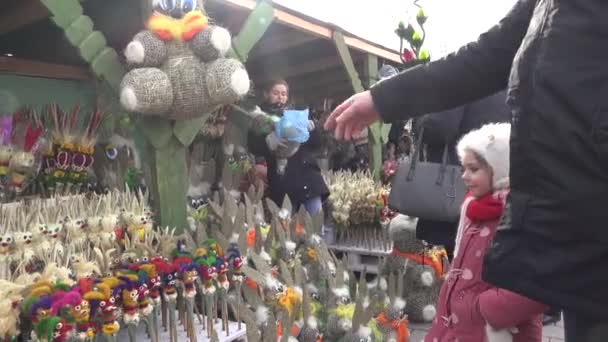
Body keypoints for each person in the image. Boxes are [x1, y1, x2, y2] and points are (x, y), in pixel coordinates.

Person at [325, 1, 608, 340]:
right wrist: (385, 98)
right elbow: (490, 54)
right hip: (574, 224)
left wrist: (482, 308)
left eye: (472, 168)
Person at [425, 122, 546, 342]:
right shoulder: (475, 208)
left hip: (495, 331)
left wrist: (487, 307)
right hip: (461, 328)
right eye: (464, 168)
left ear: (500, 169)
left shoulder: (521, 216)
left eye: (474, 169)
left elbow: (541, 280)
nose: (464, 176)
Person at [414, 90, 510, 260]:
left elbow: (440, 126)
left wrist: (420, 120)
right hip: (497, 177)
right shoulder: (507, 81)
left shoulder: (464, 81)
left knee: (453, 250)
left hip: (455, 184)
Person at [248, 80, 329, 214]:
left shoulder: (296, 114)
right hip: (283, 183)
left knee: (315, 227)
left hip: (308, 180)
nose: (280, 97)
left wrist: (313, 130)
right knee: (287, 231)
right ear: (266, 94)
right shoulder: (259, 119)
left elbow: (317, 145)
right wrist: (267, 143)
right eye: (276, 93)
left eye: (284, 94)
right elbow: (253, 146)